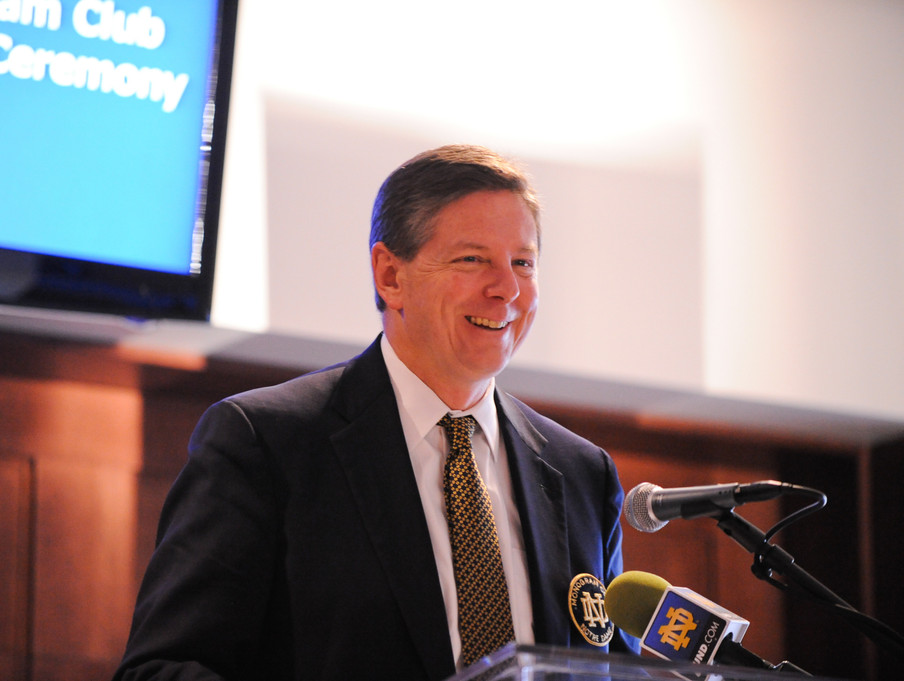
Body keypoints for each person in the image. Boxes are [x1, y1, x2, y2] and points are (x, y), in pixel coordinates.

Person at [112, 145, 637, 681]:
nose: (506, 289)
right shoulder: (267, 445)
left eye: (522, 263)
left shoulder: (581, 474)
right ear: (390, 275)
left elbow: (614, 670)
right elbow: (161, 671)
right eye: (472, 259)